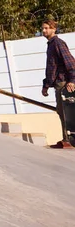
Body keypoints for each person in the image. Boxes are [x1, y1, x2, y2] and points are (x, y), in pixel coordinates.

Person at [40, 20, 75, 148]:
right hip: (58, 84)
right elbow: (51, 68)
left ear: (54, 29)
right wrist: (46, 86)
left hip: (64, 83)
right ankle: (66, 139)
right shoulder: (50, 45)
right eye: (43, 28)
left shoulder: (58, 44)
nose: (44, 31)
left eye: (47, 28)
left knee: (66, 112)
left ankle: (68, 140)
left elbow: (71, 64)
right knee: (61, 112)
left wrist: (72, 81)